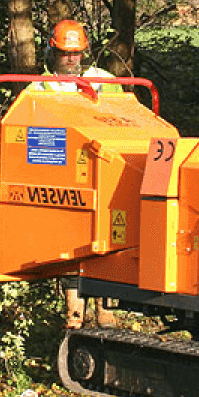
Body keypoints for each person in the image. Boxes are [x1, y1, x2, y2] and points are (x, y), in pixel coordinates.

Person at [36, 19, 118, 329]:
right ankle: (73, 325)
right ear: (53, 52)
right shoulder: (40, 87)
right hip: (65, 176)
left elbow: (126, 117)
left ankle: (107, 326)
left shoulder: (105, 80)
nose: (71, 59)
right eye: (65, 54)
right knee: (72, 251)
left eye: (77, 53)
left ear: (85, 52)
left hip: (106, 172)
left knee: (107, 249)